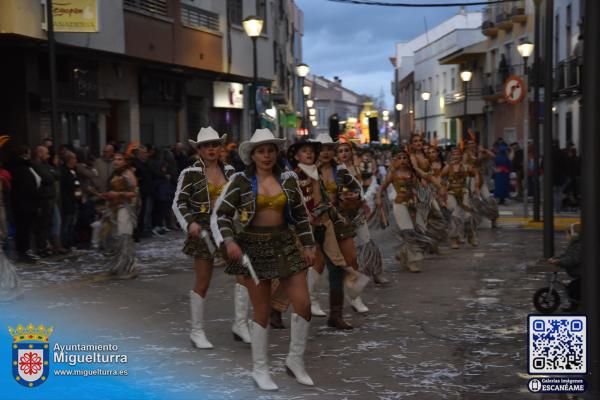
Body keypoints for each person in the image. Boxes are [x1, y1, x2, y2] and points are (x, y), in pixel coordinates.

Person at [212, 129, 316, 390]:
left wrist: (308, 244)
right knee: (261, 311)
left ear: (276, 152)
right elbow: (222, 215)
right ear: (252, 155)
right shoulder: (240, 181)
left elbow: (301, 215)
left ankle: (295, 361)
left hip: (284, 244)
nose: (267, 155)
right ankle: (260, 369)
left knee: (303, 303)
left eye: (270, 150)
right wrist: (230, 241)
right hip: (253, 248)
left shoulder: (288, 179)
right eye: (261, 151)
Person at [172, 127, 243, 348]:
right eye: (206, 146)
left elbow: (243, 199)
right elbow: (179, 203)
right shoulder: (190, 173)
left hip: (227, 229)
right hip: (202, 230)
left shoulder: (232, 172)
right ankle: (197, 331)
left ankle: (240, 324)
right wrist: (190, 223)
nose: (211, 149)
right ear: (199, 150)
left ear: (220, 148)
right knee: (203, 282)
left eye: (215, 145)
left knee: (243, 276)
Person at [315, 133, 364, 328]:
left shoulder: (340, 171)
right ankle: (279, 308)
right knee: (311, 266)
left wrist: (352, 198)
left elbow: (357, 189)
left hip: (339, 221)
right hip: (316, 224)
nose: (326, 152)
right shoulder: (308, 172)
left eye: (329, 148)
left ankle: (350, 301)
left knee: (350, 261)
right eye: (322, 148)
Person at [377, 151, 425, 273]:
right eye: (400, 158)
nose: (403, 160)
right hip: (399, 205)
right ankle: (413, 261)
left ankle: (403, 252)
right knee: (408, 231)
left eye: (405, 158)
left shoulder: (412, 174)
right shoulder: (393, 174)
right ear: (396, 161)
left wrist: (421, 199)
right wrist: (378, 198)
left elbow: (419, 189)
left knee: (417, 231)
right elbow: (381, 188)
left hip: (413, 206)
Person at [99, 153, 139, 279]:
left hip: (125, 208)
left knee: (124, 237)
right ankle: (116, 267)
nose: (116, 161)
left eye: (119, 159)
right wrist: (106, 196)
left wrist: (118, 194)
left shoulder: (128, 173)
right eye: (115, 159)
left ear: (125, 161)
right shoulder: (114, 174)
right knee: (110, 237)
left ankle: (129, 268)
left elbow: (134, 193)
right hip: (113, 208)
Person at [7, 146, 39, 263]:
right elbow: (28, 187)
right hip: (25, 203)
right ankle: (23, 252)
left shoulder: (19, 167)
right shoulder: (22, 168)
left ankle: (24, 252)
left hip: (23, 203)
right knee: (23, 229)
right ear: (24, 155)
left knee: (23, 229)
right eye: (29, 154)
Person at [442, 148, 478, 249]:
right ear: (451, 156)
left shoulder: (466, 167)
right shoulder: (447, 167)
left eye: (458, 154)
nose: (456, 156)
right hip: (451, 193)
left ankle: (471, 235)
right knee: (454, 215)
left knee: (467, 216)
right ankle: (454, 239)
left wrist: (476, 186)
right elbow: (440, 178)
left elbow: (476, 173)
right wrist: (444, 187)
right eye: (454, 154)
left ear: (461, 156)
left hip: (463, 192)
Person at [32, 146, 60, 256]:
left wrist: (52, 173)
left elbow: (57, 175)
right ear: (40, 154)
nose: (48, 156)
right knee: (42, 224)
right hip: (43, 198)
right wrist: (52, 174)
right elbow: (48, 178)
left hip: (50, 197)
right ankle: (41, 248)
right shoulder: (37, 165)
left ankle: (45, 246)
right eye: (46, 153)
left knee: (48, 223)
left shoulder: (46, 165)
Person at [60, 152, 82, 249]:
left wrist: (78, 196)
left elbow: (76, 184)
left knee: (71, 223)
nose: (76, 160)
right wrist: (77, 193)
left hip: (73, 201)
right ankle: (66, 243)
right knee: (67, 223)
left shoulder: (72, 171)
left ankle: (70, 242)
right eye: (74, 158)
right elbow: (70, 187)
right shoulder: (64, 172)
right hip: (67, 201)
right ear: (70, 160)